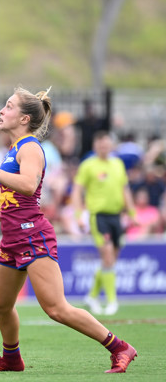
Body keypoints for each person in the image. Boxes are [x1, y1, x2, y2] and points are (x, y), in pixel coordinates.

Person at [0, 87, 137, 373]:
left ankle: (120, 347)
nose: (2, 111)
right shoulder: (14, 148)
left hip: (33, 236)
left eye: (8, 106)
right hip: (13, 236)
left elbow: (29, 185)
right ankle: (11, 358)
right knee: (0, 304)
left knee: (56, 308)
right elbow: (20, 200)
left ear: (24, 119)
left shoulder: (30, 147)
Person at [71, 131, 137, 316]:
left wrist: (132, 213)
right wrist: (78, 214)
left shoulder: (118, 164)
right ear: (95, 146)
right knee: (108, 256)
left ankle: (92, 295)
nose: (104, 148)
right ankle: (111, 301)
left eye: (106, 145)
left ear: (111, 146)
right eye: (100, 145)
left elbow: (125, 190)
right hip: (98, 216)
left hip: (116, 217)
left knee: (111, 259)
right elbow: (77, 191)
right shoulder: (88, 165)